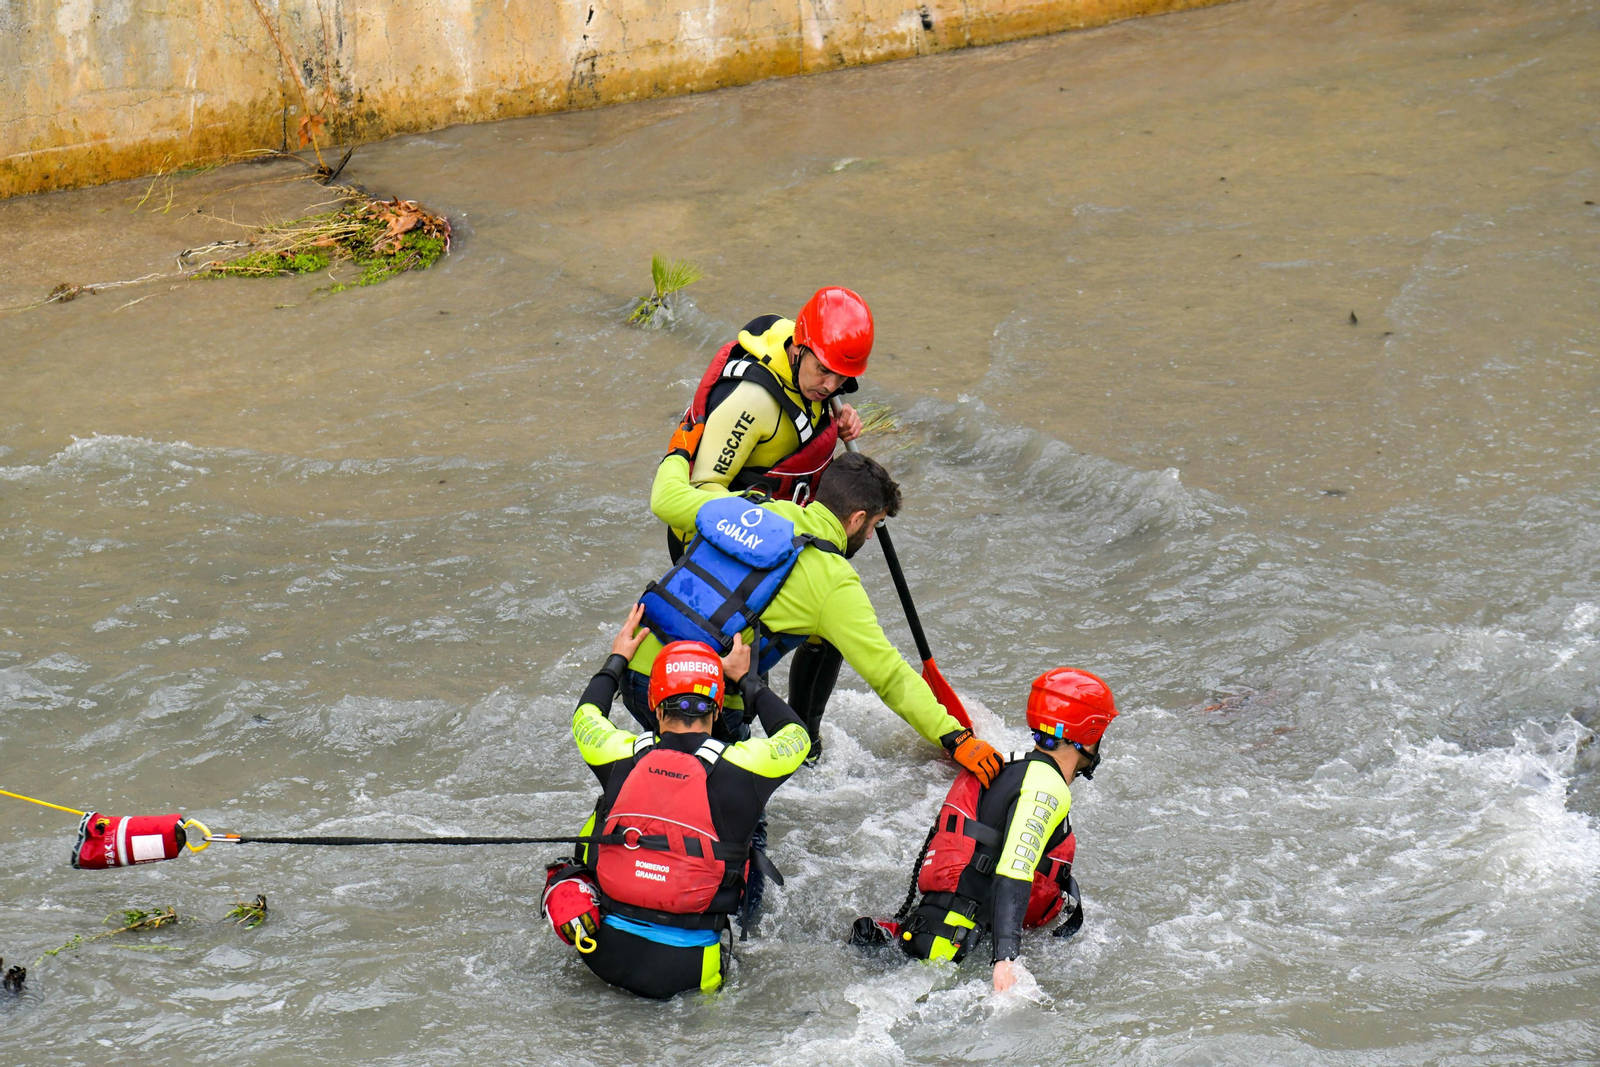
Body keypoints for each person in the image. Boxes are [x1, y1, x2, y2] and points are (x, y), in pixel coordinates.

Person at [629, 447, 1003, 788]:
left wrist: (679, 451)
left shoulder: (752, 506)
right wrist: (955, 737)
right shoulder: (834, 581)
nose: (869, 538)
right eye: (873, 526)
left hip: (636, 671)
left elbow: (666, 499)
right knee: (733, 817)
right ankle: (803, 750)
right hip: (702, 704)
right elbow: (889, 675)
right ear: (857, 519)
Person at [541, 604, 809, 1000]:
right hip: (689, 974)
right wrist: (747, 681)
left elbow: (586, 715)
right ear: (717, 708)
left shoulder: (619, 754)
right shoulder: (746, 766)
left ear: (654, 703)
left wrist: (617, 659)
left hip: (600, 954)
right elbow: (797, 736)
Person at [660, 287, 874, 758]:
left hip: (771, 533)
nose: (830, 386)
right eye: (823, 371)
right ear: (799, 348)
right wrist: (772, 524)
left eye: (842, 379)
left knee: (827, 626)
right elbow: (700, 493)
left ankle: (806, 743)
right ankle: (726, 755)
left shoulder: (809, 370)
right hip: (718, 541)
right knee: (746, 666)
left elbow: (805, 419)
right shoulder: (752, 402)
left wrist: (836, 422)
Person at [850, 668, 1118, 992]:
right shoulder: (1048, 787)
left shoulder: (1006, 765)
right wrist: (1006, 958)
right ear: (1089, 734)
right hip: (953, 954)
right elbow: (1014, 869)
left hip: (924, 931)